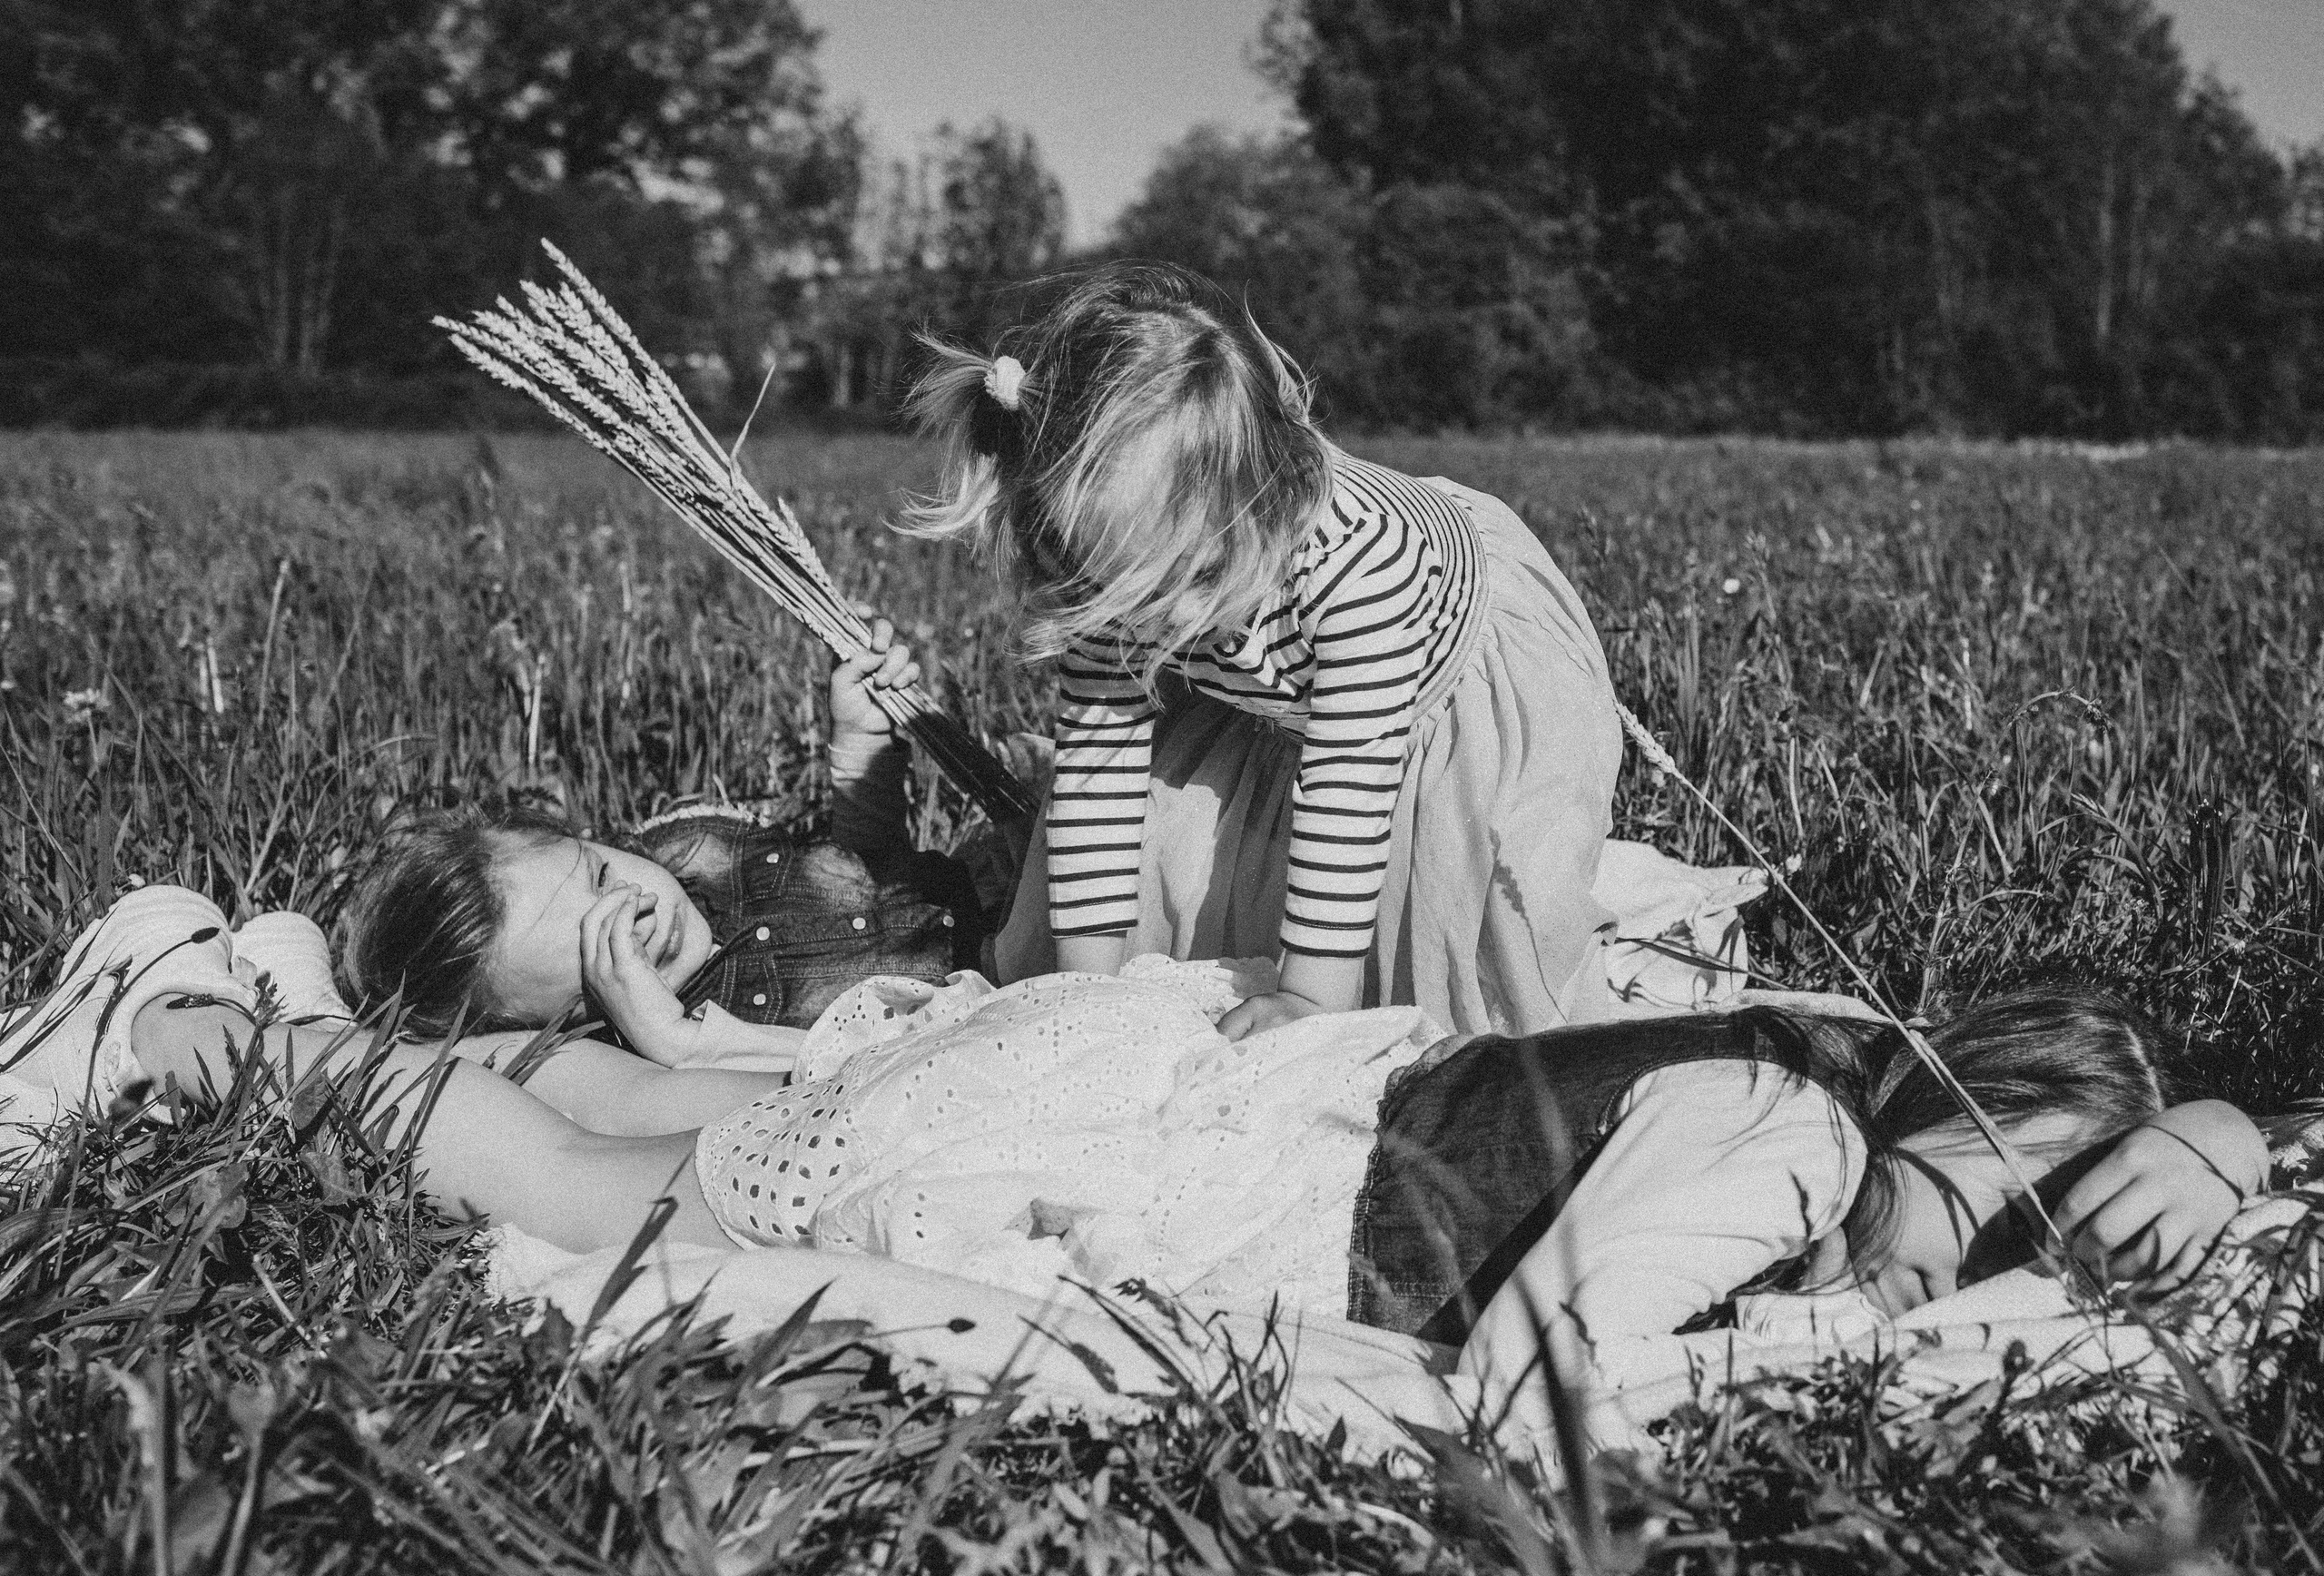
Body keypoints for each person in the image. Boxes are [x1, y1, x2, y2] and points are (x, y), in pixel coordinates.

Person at [13, 889, 2268, 1455]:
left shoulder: (1794, 1072)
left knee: (699, 1126)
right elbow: (1537, 1377)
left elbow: (2217, 1138)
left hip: (1155, 1069)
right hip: (1219, 1170)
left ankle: (289, 1009)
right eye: (2000, 1195)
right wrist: (1855, 1311)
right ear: (1946, 1109)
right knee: (636, 1217)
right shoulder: (1783, 1133)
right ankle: (262, 1047)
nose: (1982, 1238)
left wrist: (2212, 1127)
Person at [906, 264, 1626, 1042]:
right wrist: (1083, 993)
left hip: (1455, 681)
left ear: (1261, 498)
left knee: (1473, 930)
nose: (1170, 620)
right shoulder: (1117, 574)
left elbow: (1348, 786)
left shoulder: (1360, 574)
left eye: (1199, 576)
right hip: (1284, 694)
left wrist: (1309, 1002)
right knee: (1166, 866)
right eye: (1141, 595)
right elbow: (1094, 778)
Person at [343, 625, 1036, 1067]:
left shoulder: (692, 847)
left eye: (601, 873)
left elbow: (859, 871)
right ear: (548, 1026)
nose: (639, 906)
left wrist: (861, 745)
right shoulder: (669, 1052)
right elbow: (883, 1071)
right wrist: (686, 1043)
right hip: (1010, 996)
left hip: (990, 881)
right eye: (604, 946)